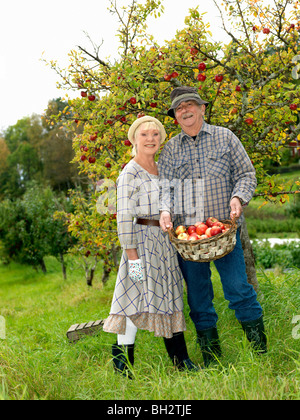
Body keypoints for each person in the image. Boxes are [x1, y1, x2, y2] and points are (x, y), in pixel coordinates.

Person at [158, 86, 267, 367]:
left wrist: (237, 197)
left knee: (238, 289)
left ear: (202, 108)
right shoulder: (170, 149)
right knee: (199, 300)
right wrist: (166, 211)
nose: (185, 111)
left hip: (224, 234)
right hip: (190, 240)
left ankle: (261, 355)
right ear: (175, 117)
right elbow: (166, 189)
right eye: (179, 109)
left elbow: (246, 174)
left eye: (190, 104)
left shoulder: (225, 137)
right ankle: (212, 359)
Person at [103, 116, 199, 378]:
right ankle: (123, 367)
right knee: (132, 301)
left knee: (170, 296)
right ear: (134, 139)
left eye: (155, 134)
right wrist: (132, 256)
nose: (150, 139)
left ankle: (181, 361)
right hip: (140, 246)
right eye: (144, 134)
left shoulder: (161, 169)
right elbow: (123, 217)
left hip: (164, 245)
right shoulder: (129, 173)